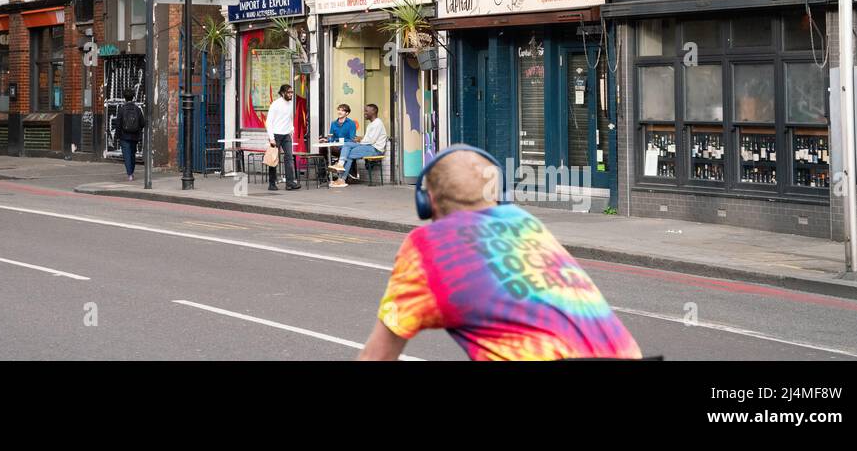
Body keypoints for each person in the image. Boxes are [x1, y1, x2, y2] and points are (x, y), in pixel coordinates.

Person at [359, 145, 643, 361]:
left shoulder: (426, 247)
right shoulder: (525, 224)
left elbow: (378, 355)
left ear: (427, 201)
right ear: (498, 194)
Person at [329, 103, 388, 187]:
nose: (364, 113)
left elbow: (370, 141)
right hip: (368, 146)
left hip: (375, 150)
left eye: (366, 111)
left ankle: (341, 179)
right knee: (347, 144)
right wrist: (360, 140)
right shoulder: (372, 124)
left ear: (373, 111)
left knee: (348, 154)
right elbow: (368, 139)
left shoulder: (377, 123)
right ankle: (340, 164)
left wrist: (359, 140)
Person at [265, 84, 300, 191]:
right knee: (274, 159)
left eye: (292, 92)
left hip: (286, 135)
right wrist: (271, 138)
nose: (290, 94)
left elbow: (289, 118)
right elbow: (269, 122)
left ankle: (289, 183)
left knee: (289, 158)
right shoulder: (275, 104)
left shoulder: (290, 103)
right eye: (288, 92)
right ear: (282, 93)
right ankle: (272, 183)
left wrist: (291, 128)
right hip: (276, 135)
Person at [115, 88, 145, 181]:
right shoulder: (137, 109)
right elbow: (143, 123)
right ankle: (131, 171)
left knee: (127, 155)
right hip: (135, 136)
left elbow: (118, 123)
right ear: (133, 97)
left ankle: (130, 174)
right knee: (132, 154)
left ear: (124, 98)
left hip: (124, 136)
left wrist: (117, 135)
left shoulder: (122, 109)